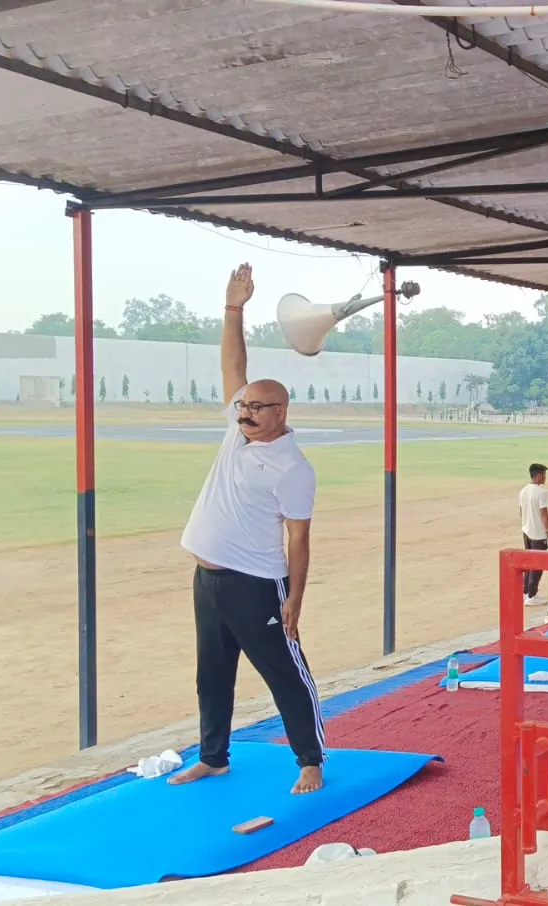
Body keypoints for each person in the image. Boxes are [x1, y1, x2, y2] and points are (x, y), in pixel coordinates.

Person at [171, 263, 325, 795]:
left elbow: (298, 538)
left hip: (257, 584)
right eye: (243, 404)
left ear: (280, 411)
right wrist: (234, 308)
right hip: (208, 579)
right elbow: (233, 362)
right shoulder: (237, 433)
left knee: (285, 673)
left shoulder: (292, 467)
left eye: (256, 406)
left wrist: (295, 599)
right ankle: (213, 757)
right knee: (210, 675)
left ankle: (310, 760)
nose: (244, 412)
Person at [518, 463, 548, 607]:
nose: (545, 477)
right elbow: (544, 514)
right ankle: (532, 595)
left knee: (528, 563)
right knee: (537, 565)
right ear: (538, 475)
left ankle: (525, 592)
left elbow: (521, 511)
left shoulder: (523, 491)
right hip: (538, 534)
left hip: (526, 531)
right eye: (544, 474)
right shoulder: (541, 493)